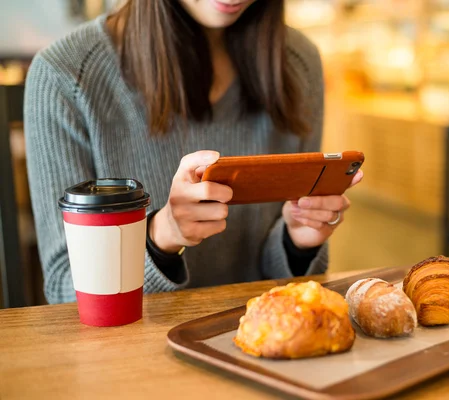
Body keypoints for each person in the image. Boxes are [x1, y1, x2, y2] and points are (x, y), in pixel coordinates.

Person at [24, 0, 363, 304]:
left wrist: (297, 240)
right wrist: (163, 235)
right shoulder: (65, 75)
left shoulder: (297, 63)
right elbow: (65, 289)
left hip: (260, 345)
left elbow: (276, 282)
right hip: (130, 360)